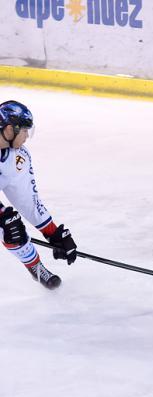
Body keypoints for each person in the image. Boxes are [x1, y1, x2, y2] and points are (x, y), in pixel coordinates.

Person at [0, 100, 77, 289]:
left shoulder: (18, 158)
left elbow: (27, 200)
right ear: (10, 129)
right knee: (6, 224)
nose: (27, 136)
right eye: (25, 130)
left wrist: (52, 233)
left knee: (11, 226)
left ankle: (36, 268)